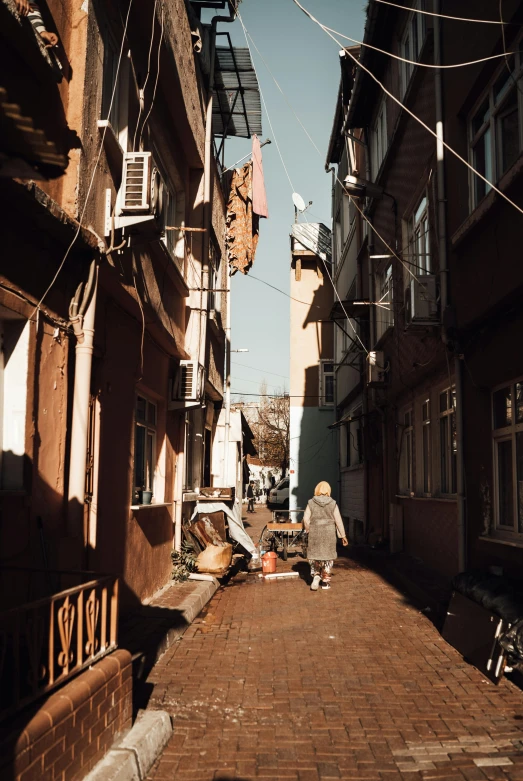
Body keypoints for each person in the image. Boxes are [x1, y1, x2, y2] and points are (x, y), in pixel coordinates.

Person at [302, 481, 348, 591]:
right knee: (328, 558)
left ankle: (316, 574)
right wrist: (343, 536)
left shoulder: (311, 503)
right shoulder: (333, 503)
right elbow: (338, 521)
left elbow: (305, 519)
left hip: (315, 532)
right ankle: (325, 583)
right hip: (329, 533)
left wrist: (308, 529)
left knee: (315, 556)